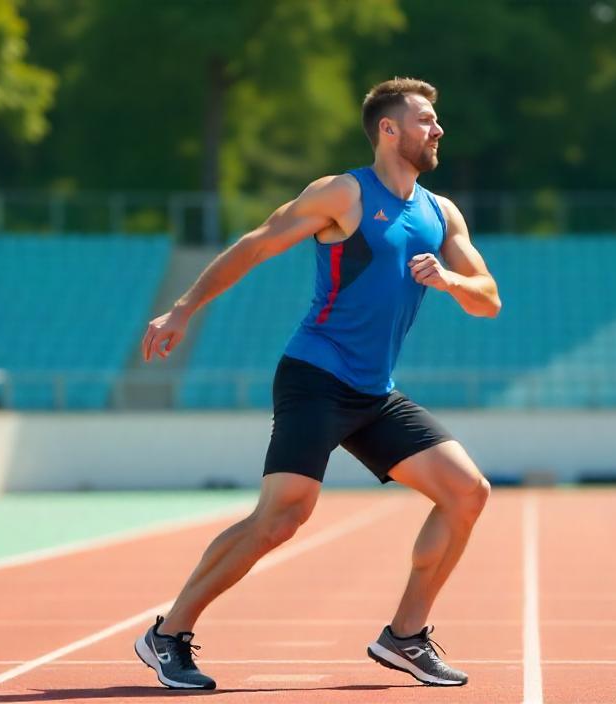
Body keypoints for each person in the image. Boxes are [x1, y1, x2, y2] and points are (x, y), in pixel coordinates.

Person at [133, 77, 500, 690]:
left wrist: (450, 282)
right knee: (282, 517)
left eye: (436, 121)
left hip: (375, 392)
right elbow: (256, 245)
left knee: (468, 492)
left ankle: (405, 637)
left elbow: (488, 299)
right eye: (426, 120)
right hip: (316, 374)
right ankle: (167, 633)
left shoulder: (441, 214)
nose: (438, 130)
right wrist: (183, 308)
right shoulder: (342, 194)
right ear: (389, 129)